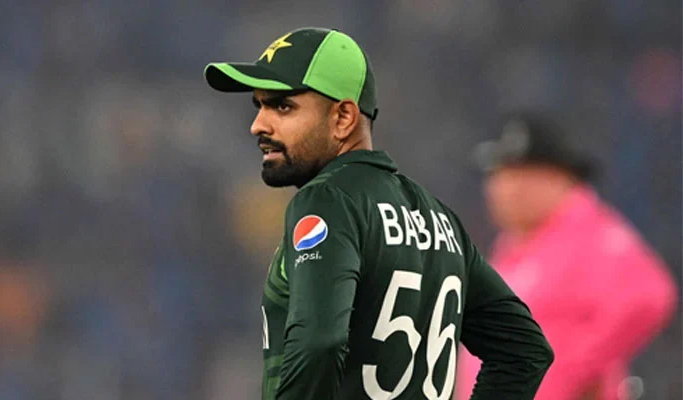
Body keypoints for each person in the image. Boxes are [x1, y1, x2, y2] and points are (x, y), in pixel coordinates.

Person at [203, 27, 553, 400]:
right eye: (259, 105)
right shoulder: (440, 219)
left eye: (282, 106)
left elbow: (319, 342)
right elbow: (523, 350)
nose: (258, 124)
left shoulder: (326, 201)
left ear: (343, 118)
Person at [456, 114, 678, 400]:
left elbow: (649, 295)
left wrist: (571, 369)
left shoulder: (590, 231)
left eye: (519, 176)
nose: (503, 190)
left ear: (559, 179)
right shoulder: (515, 244)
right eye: (499, 175)